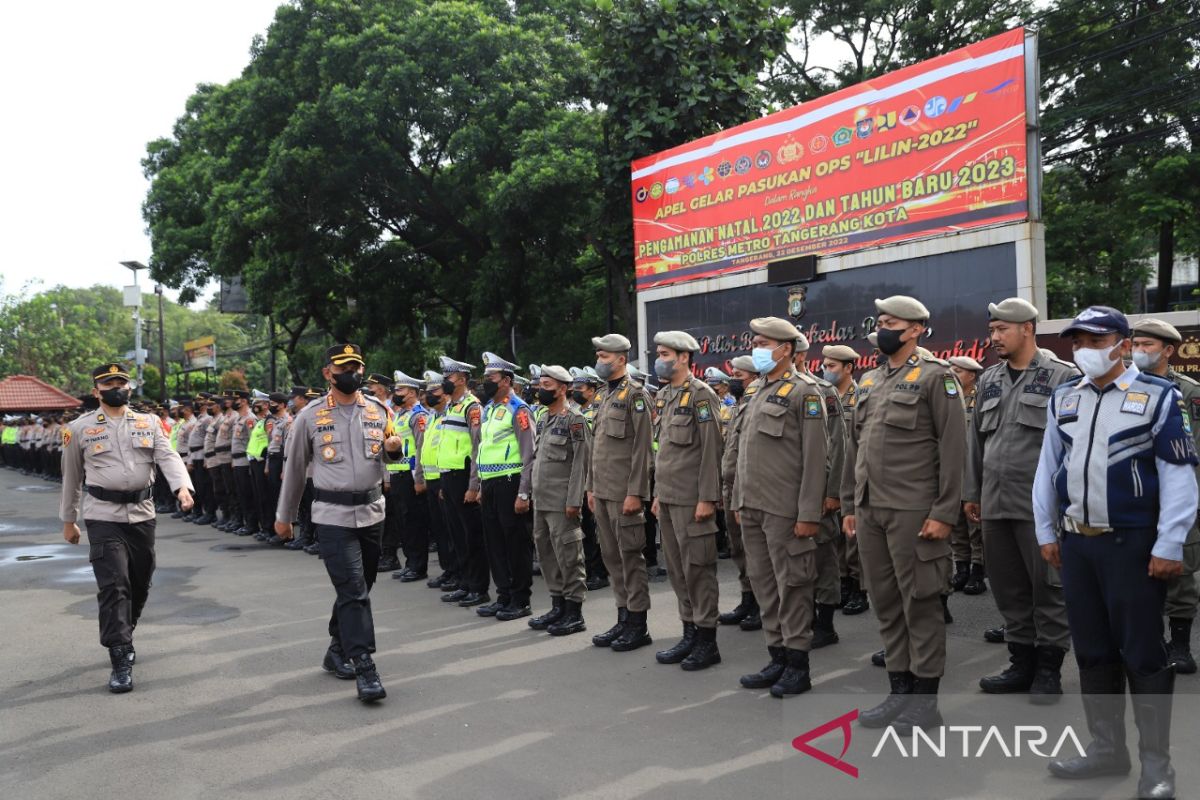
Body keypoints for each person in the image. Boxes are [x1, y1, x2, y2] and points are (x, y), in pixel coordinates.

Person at [1033, 306, 1197, 799]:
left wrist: (1170, 543)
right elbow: (1048, 467)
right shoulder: (1064, 398)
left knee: (1144, 654)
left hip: (1133, 545)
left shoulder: (1159, 397)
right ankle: (1107, 749)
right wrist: (1046, 530)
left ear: (1123, 344)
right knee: (1093, 652)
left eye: (1095, 339)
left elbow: (1179, 476)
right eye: (1078, 340)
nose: (1085, 348)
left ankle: (1157, 766)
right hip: (1078, 544)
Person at [843, 296, 965, 733]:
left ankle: (926, 701)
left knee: (921, 604)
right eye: (879, 321)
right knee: (887, 602)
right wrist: (852, 504)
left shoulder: (937, 378)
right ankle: (900, 690)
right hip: (872, 509)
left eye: (890, 322)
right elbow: (855, 447)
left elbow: (954, 449)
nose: (882, 328)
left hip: (916, 511)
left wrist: (945, 512)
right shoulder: (871, 380)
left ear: (915, 329)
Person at [963, 298, 1078, 703]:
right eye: (992, 330)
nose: (994, 337)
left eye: (1001, 330)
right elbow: (976, 442)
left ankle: (1049, 670)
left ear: (1027, 328)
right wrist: (971, 492)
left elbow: (1074, 447)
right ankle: (1020, 662)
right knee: (1009, 588)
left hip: (1040, 507)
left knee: (1048, 589)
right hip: (995, 503)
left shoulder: (1063, 377)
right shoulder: (989, 379)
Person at [59, 363, 194, 693]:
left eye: (121, 382)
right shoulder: (78, 428)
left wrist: (182, 487)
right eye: (109, 383)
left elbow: (168, 456)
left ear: (129, 388)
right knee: (114, 583)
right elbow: (71, 477)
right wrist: (69, 520)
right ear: (97, 391)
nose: (116, 387)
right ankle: (120, 655)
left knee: (140, 580)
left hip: (142, 513)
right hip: (103, 515)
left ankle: (126, 626)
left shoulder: (148, 423)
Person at [275, 344, 399, 703]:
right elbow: (295, 471)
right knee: (353, 590)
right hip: (332, 516)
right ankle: (364, 665)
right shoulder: (310, 417)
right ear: (328, 372)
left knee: (361, 586)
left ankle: (335, 648)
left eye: (358, 367)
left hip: (373, 512)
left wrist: (394, 450)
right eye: (345, 367)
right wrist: (285, 517)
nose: (354, 373)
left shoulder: (378, 410)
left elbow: (389, 458)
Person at [729, 318, 829, 697]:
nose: (756, 347)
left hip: (785, 510)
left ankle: (798, 664)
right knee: (764, 585)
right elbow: (744, 453)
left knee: (793, 587)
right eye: (753, 341)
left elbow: (817, 457)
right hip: (752, 506)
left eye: (763, 342)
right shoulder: (756, 390)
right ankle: (777, 656)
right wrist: (739, 498)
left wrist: (808, 514)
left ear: (785, 349)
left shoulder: (805, 392)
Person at [650, 331, 726, 671]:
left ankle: (707, 641)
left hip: (692, 499)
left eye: (665, 353)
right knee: (678, 570)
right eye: (658, 353)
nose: (659, 359)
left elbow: (712, 451)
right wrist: (656, 495)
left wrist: (708, 498)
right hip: (668, 498)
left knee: (698, 570)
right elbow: (664, 450)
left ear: (683, 357)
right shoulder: (665, 395)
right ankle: (689, 632)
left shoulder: (701, 396)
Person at [1131, 318, 1200, 675]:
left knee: (1180, 571)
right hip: (1135, 494)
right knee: (1135, 570)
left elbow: (1194, 448)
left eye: (1147, 345)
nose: (1139, 350)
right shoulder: (1123, 385)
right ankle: (1146, 641)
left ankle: (1180, 645)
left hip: (1175, 494)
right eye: (1136, 344)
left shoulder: (1188, 392)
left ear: (1168, 350)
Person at [586, 334, 655, 652]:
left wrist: (635, 493)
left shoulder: (636, 395)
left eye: (604, 356)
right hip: (602, 491)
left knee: (630, 558)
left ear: (621, 360)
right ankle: (623, 617)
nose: (600, 361)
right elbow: (597, 446)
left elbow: (643, 450)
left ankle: (638, 624)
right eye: (598, 356)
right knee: (612, 558)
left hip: (624, 492)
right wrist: (590, 487)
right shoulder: (602, 394)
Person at [793, 334, 848, 646]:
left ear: (799, 355)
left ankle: (825, 625)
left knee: (823, 557)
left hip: (818, 488)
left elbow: (839, 444)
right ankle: (803, 618)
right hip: (788, 492)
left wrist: (833, 492)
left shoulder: (823, 392)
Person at [472, 353, 537, 620]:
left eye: (491, 378)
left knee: (515, 543)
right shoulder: (488, 409)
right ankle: (504, 595)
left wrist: (524, 492)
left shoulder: (519, 409)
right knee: (495, 543)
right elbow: (481, 450)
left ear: (506, 380)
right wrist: (477, 485)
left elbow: (529, 454)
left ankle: (520, 600)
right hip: (489, 484)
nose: (486, 382)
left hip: (510, 483)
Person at [528, 365, 592, 635]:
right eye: (540, 384)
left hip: (562, 500)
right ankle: (558, 605)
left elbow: (581, 463)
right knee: (546, 553)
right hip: (541, 499)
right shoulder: (543, 418)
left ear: (562, 388)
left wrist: (574, 499)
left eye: (547, 385)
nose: (540, 389)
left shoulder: (574, 419)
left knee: (568, 554)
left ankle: (574, 612)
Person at [435, 356, 490, 608]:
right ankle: (465, 583)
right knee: (456, 534)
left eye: (448, 377)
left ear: (462, 379)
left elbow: (478, 446)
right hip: (449, 476)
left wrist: (473, 485)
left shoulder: (472, 406)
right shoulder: (449, 406)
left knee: (471, 536)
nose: (445, 381)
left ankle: (479, 588)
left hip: (464, 475)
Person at [718, 355, 762, 631]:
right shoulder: (738, 404)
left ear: (755, 377)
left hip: (750, 487)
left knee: (754, 550)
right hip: (730, 485)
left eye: (739, 376)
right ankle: (747, 598)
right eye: (732, 375)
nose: (733, 380)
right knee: (737, 548)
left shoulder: (758, 403)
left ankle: (761, 603)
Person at [822, 344, 867, 613]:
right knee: (834, 536)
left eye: (832, 367)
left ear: (849, 368)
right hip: (830, 473)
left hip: (854, 474)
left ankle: (859, 588)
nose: (826, 371)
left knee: (853, 536)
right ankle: (842, 583)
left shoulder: (861, 396)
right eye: (825, 366)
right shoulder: (824, 396)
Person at [387, 371, 433, 582]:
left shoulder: (418, 415)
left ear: (413, 392)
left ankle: (418, 565)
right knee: (402, 521)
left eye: (401, 390)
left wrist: (419, 479)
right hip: (397, 472)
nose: (396, 393)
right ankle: (409, 562)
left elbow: (421, 447)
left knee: (414, 521)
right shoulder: (400, 414)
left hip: (410, 474)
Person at [417, 371, 458, 588]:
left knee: (451, 530)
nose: (429, 395)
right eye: (428, 392)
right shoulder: (432, 416)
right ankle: (447, 570)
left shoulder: (450, 414)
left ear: (445, 393)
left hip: (443, 479)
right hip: (431, 478)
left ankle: (457, 571)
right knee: (440, 529)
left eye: (434, 391)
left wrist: (443, 482)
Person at [571, 367, 609, 592]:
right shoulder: (575, 412)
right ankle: (588, 568)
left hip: (596, 475)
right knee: (584, 525)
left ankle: (600, 572)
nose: (576, 392)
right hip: (580, 476)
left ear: (593, 390)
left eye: (581, 388)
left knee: (596, 527)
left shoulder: (599, 411)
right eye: (574, 388)